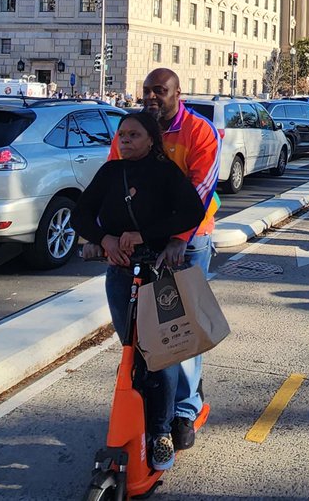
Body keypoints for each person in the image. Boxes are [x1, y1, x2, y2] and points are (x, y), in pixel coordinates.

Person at [73, 112, 206, 472]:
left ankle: (161, 431)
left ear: (151, 139)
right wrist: (104, 239)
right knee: (132, 352)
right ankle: (137, 419)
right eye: (121, 135)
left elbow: (192, 210)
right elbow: (81, 214)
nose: (125, 140)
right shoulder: (110, 173)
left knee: (161, 355)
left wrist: (146, 235)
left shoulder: (164, 172)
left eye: (134, 134)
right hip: (120, 274)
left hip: (158, 274)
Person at [140, 68, 221, 452]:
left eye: (160, 91)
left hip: (188, 242)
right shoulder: (138, 129)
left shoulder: (198, 130)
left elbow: (201, 189)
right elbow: (112, 176)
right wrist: (101, 233)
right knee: (142, 330)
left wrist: (178, 237)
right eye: (147, 91)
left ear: (177, 93)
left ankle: (186, 408)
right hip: (147, 240)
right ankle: (155, 405)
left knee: (182, 328)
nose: (152, 97)